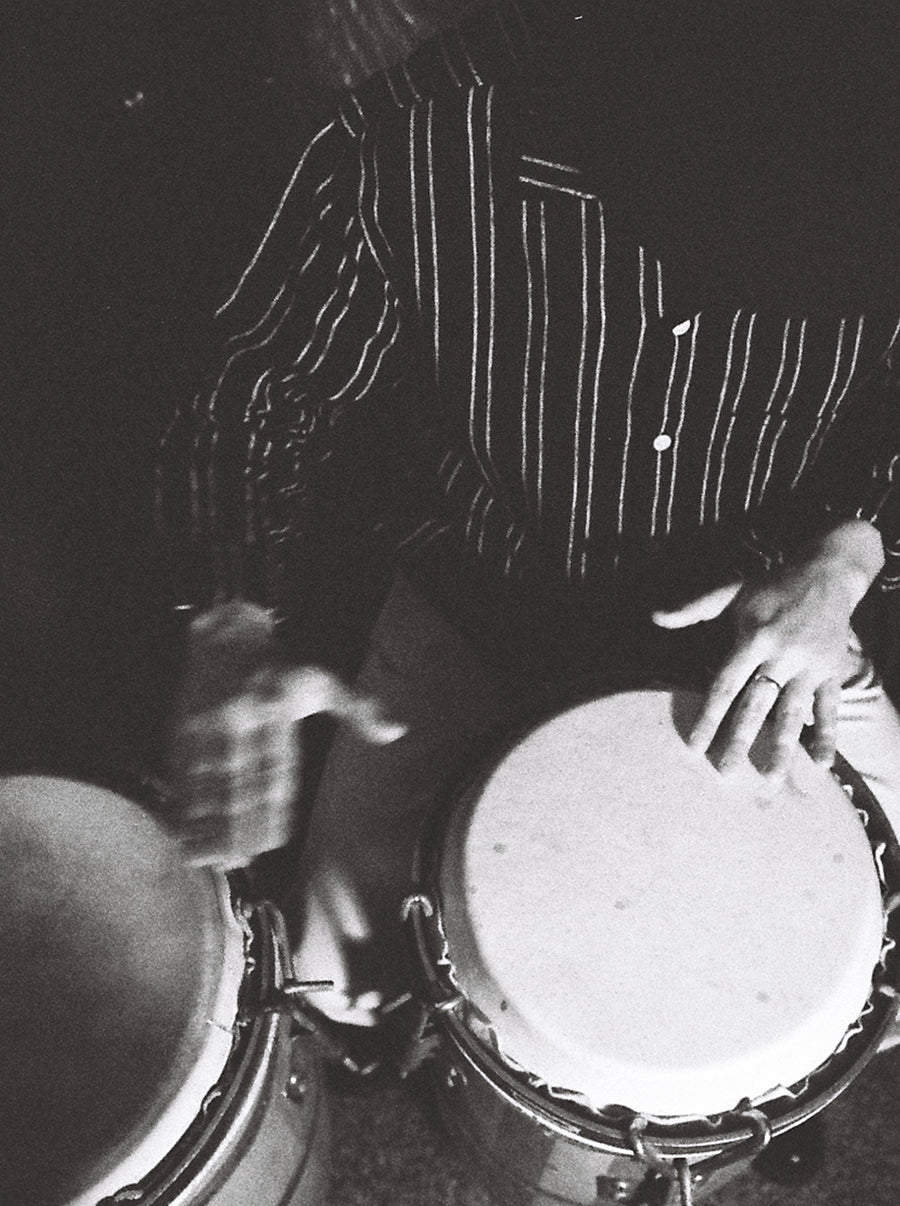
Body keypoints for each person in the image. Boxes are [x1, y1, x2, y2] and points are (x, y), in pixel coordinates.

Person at [157, 0, 900, 1039]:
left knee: (852, 960)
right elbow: (259, 389)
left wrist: (852, 548)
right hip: (479, 579)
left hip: (772, 605)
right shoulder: (414, 144)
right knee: (340, 992)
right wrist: (233, 615)